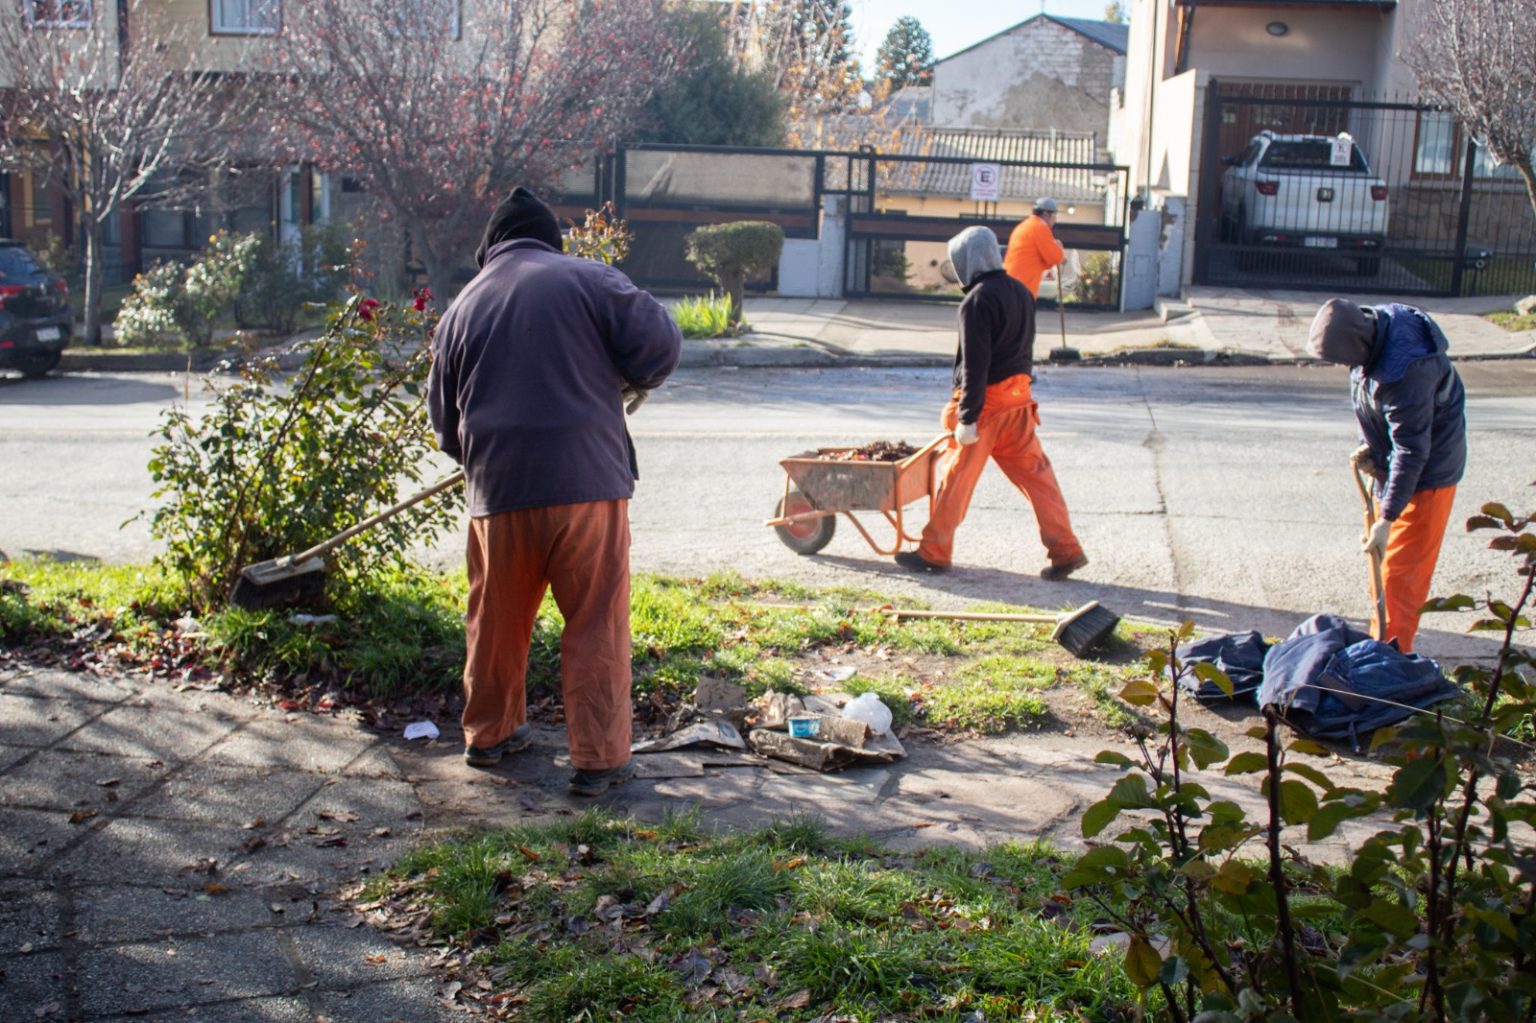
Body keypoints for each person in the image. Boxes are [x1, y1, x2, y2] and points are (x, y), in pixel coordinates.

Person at [428, 186, 682, 796]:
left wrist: (485, 461)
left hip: (499, 490)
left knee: (495, 619)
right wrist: (630, 377)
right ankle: (599, 761)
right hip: (587, 484)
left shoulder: (461, 307)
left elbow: (443, 420)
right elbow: (660, 344)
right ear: (551, 241)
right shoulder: (589, 279)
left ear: (491, 248)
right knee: (595, 619)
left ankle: (488, 736)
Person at [894, 225, 1087, 579]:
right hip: (1020, 401)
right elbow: (1025, 351)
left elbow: (975, 365)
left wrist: (967, 417)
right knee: (1039, 479)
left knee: (956, 480)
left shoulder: (976, 301)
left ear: (969, 260)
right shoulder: (1020, 291)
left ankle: (934, 551)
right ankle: (1066, 550)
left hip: (988, 408)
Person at [1307, 298, 1467, 654]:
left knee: (1400, 578)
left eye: (1343, 359)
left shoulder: (1407, 368)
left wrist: (1388, 518)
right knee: (1380, 568)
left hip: (1427, 476)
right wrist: (1369, 448)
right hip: (1394, 466)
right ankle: (1380, 644)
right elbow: (1368, 401)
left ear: (1358, 344)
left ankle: (1394, 662)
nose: (1344, 366)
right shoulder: (1370, 334)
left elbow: (1412, 450)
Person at [1004, 197, 1065, 299]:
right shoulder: (1040, 228)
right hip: (1024, 289)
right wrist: (1059, 249)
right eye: (1054, 215)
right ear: (1046, 214)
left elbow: (1042, 261)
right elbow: (1055, 258)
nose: (1055, 219)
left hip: (1011, 285)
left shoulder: (1024, 226)